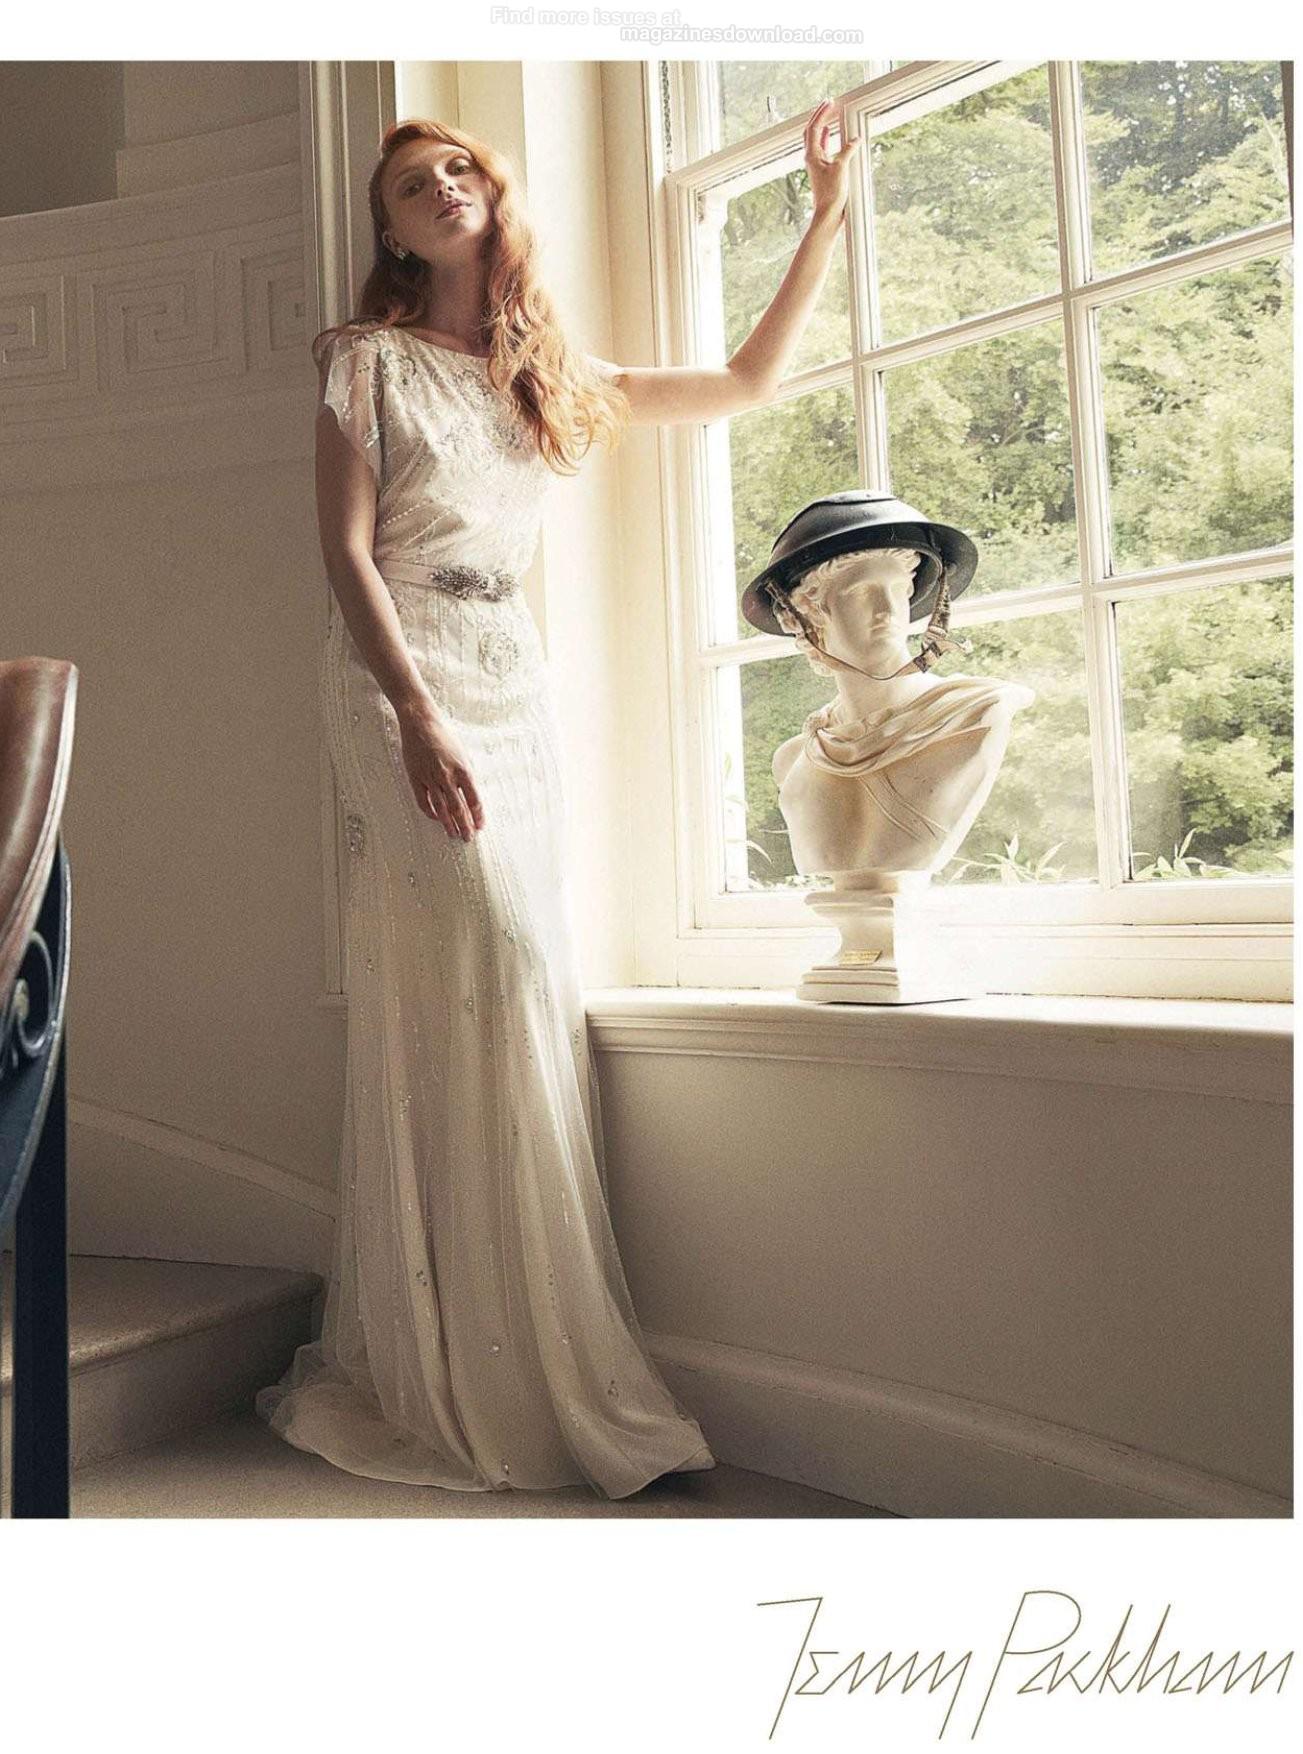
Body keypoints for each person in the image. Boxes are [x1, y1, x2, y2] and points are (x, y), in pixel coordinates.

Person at [254, 103, 859, 1499]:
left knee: (520, 984)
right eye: (413, 185)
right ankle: (456, 1361)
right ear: (392, 233)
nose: (443, 187)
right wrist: (416, 717)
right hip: (399, 670)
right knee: (496, 956)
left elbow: (747, 381)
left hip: (510, 675)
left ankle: (516, 1350)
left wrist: (822, 213)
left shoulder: (547, 375)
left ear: (491, 193)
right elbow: (344, 557)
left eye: (459, 167)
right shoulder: (366, 362)